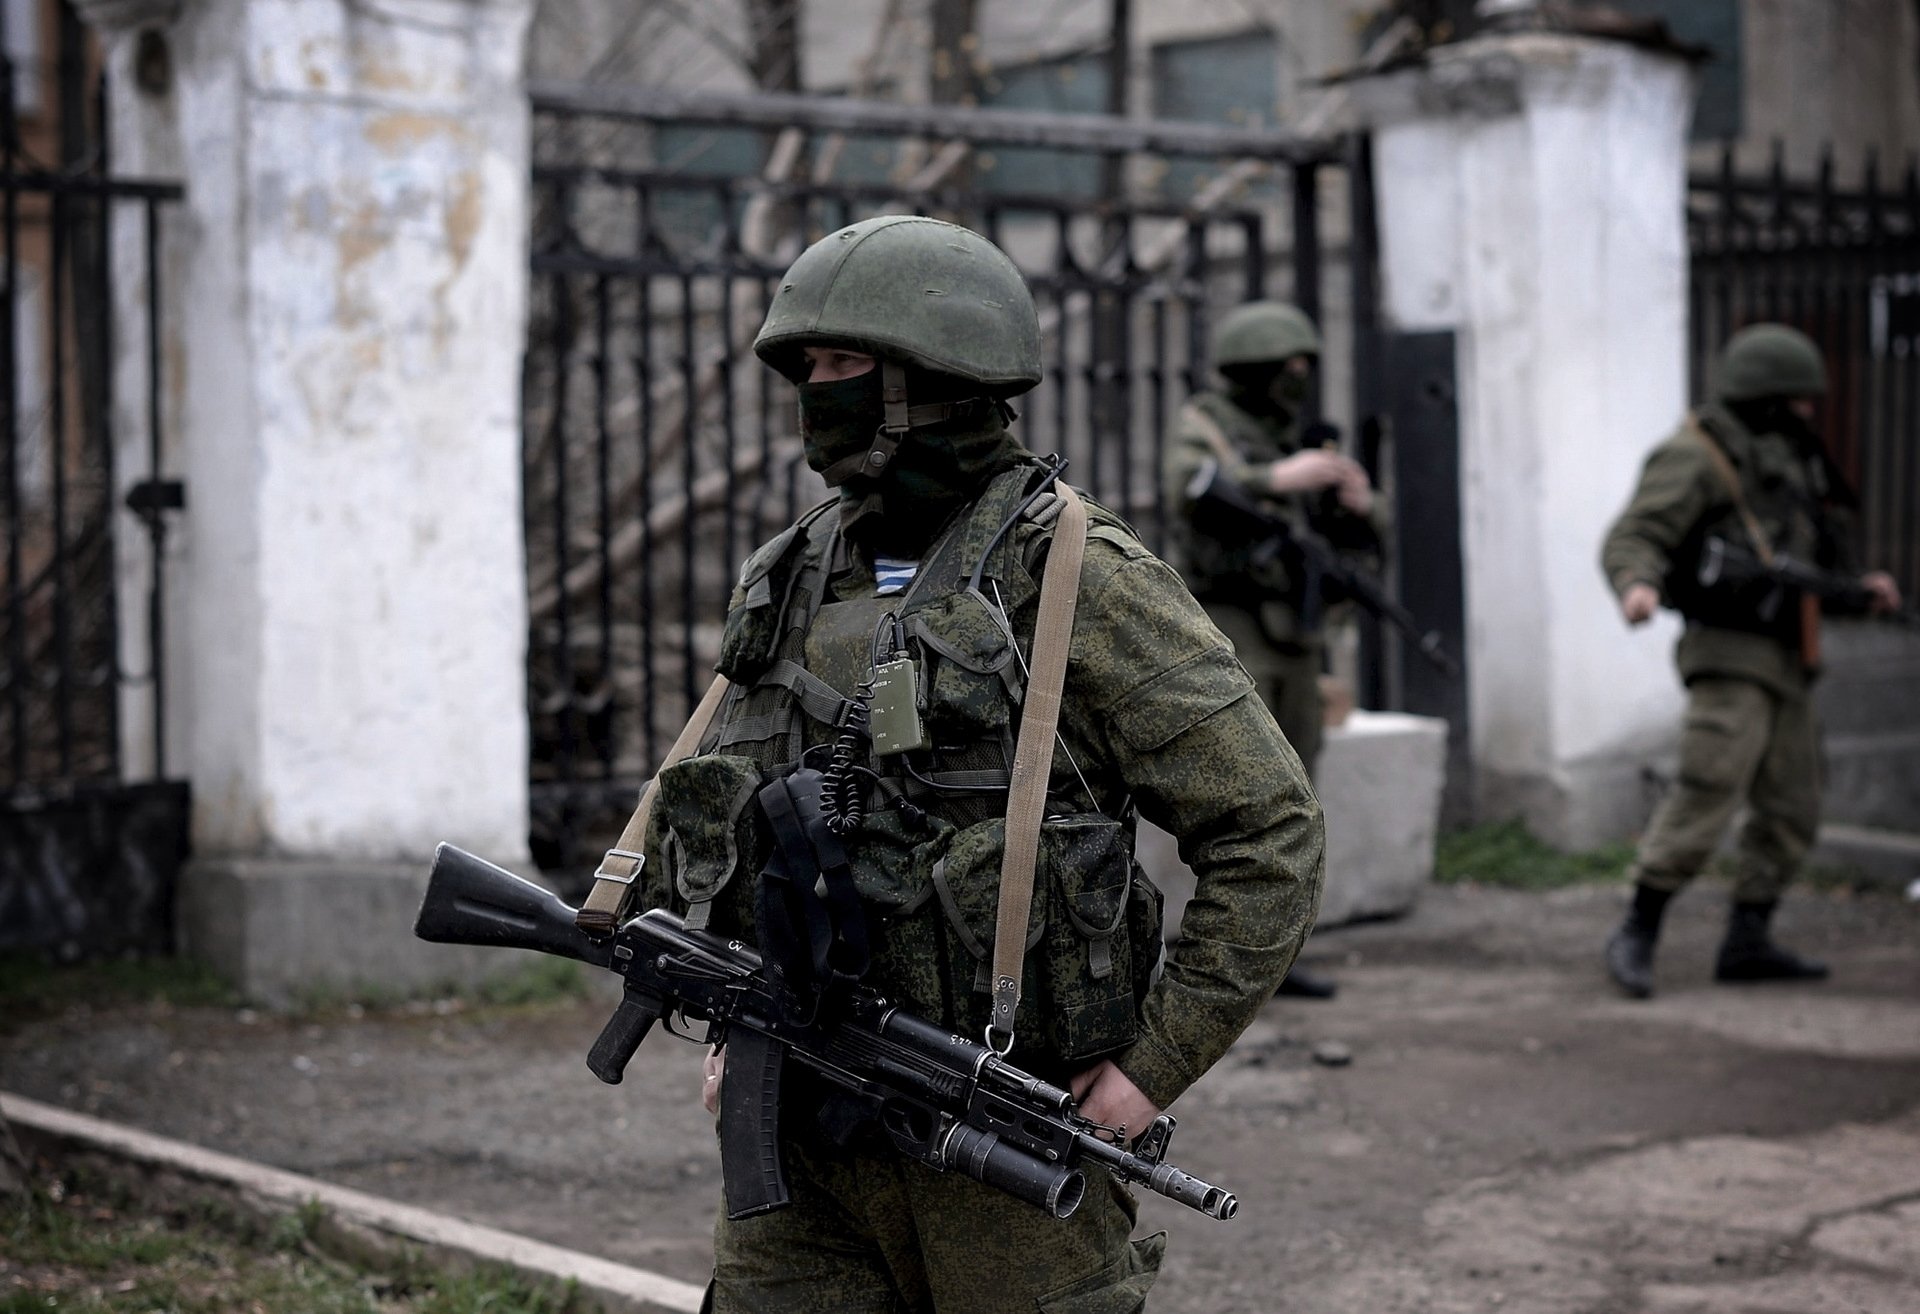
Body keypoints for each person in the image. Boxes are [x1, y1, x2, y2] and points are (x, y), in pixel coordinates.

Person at [632, 216, 1325, 1312]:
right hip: (799, 1139)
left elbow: (1269, 829)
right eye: (806, 367)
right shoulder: (793, 576)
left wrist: (1152, 1067)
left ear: (934, 378)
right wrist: (733, 1008)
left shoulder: (1077, 580)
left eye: (845, 364)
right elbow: (743, 818)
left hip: (999, 1143)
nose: (818, 391)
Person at [1599, 323, 1903, 999]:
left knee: (1794, 803)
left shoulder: (1789, 461)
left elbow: (1805, 564)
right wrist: (1636, 584)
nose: (1807, 412)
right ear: (1766, 395)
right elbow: (1636, 534)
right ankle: (1638, 928)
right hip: (1729, 653)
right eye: (1797, 399)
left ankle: (1749, 937)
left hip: (1790, 658)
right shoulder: (1699, 455)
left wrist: (1858, 592)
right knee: (1710, 784)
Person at [1160, 301, 1386, 999]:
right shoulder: (1206, 426)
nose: (1296, 378)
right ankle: (1210, 952)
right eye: (1282, 368)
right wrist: (1277, 479)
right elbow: (1185, 487)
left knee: (1296, 796)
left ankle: (1275, 951)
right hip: (1232, 625)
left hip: (1298, 632)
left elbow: (1369, 529)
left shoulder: (1301, 436)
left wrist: (1357, 500)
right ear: (1248, 370)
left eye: (1303, 367)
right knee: (1238, 791)